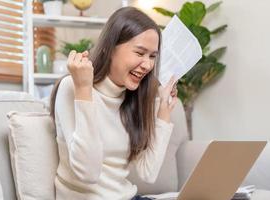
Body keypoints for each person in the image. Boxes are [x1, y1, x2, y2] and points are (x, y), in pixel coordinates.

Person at [50, 6, 178, 200]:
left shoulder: (134, 96)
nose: (148, 65)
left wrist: (164, 111)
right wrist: (84, 89)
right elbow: (88, 174)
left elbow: (148, 173)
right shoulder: (72, 86)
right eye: (140, 52)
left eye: (152, 56)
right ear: (111, 49)